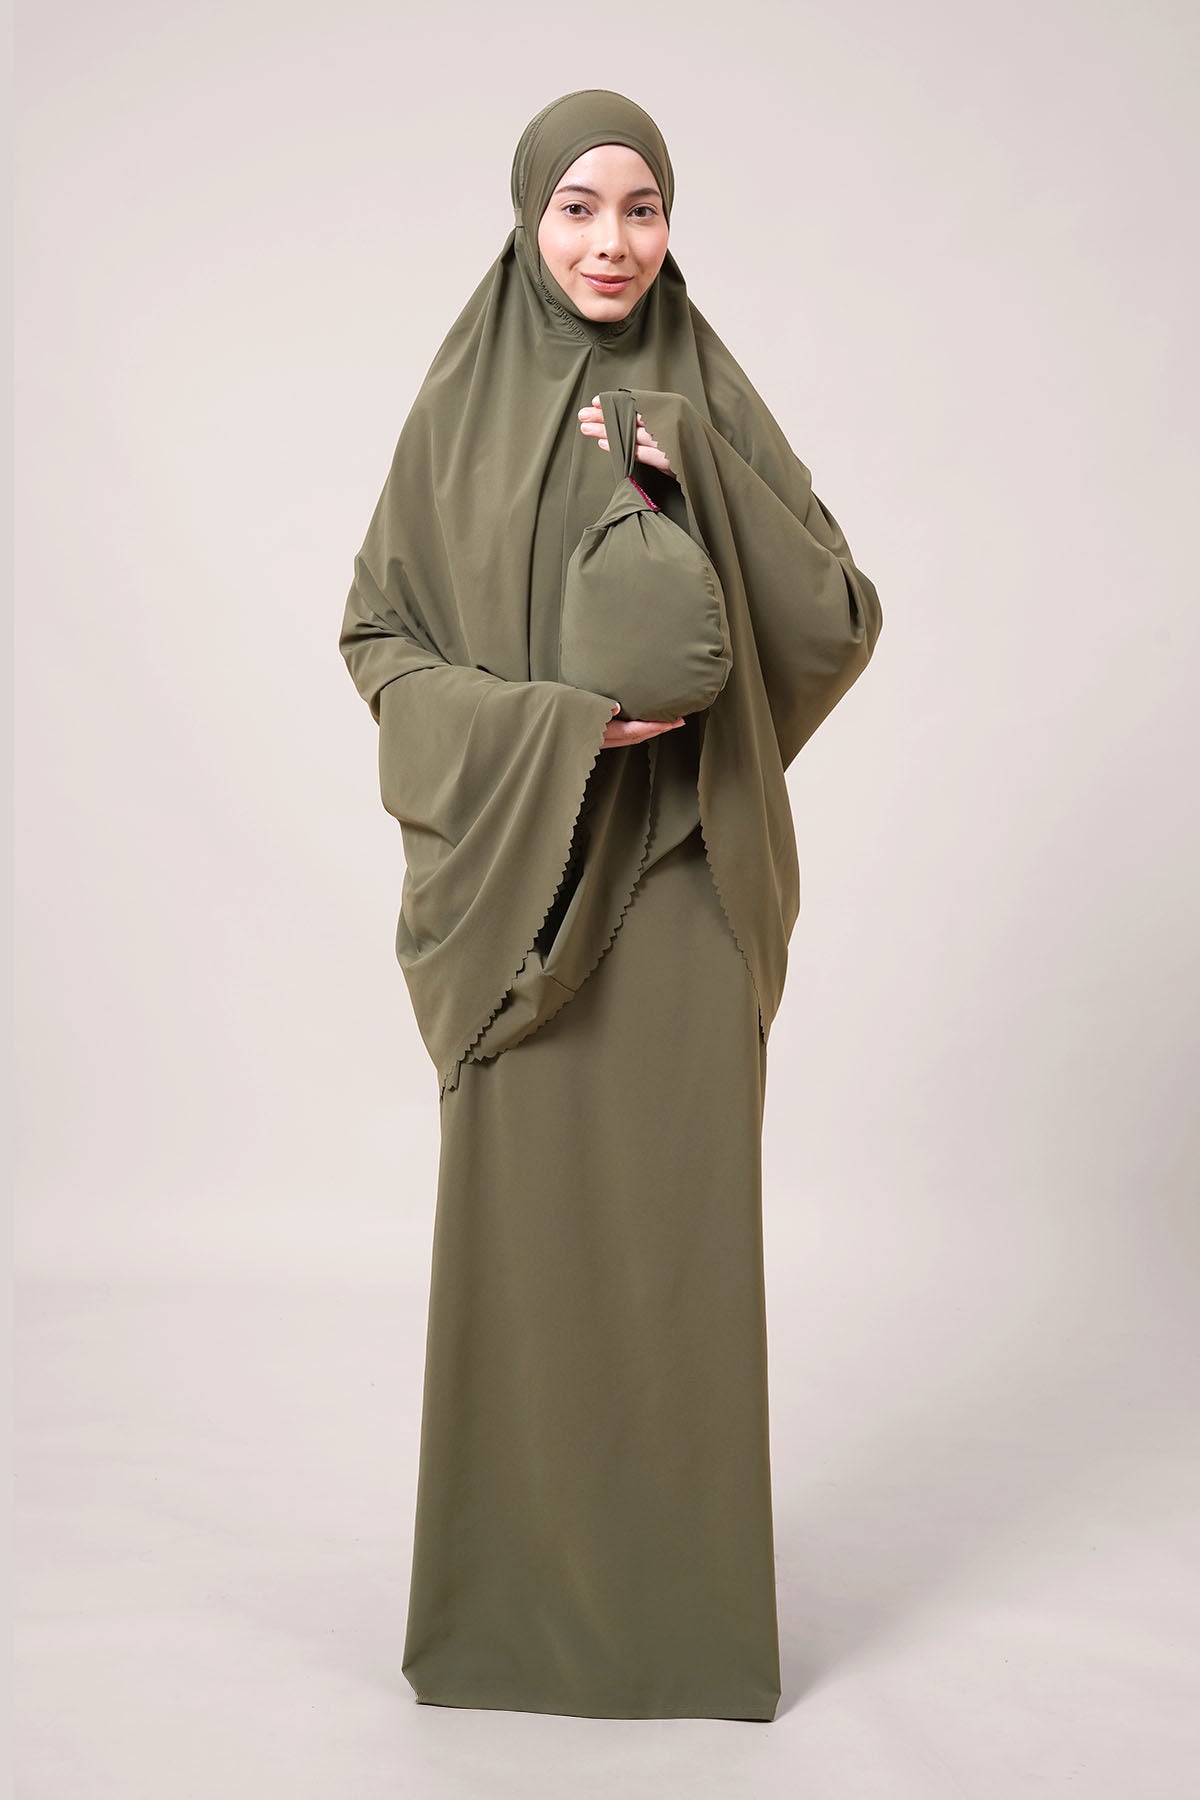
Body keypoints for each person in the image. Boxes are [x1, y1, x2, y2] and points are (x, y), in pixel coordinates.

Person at [338, 87, 883, 1723]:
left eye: (640, 208)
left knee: (677, 1257)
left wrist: (691, 472)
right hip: (530, 889)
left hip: (684, 879)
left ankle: (685, 1637)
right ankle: (503, 1627)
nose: (611, 242)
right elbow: (380, 641)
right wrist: (556, 730)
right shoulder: (459, 409)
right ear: (529, 218)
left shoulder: (704, 387)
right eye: (578, 208)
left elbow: (837, 608)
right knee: (528, 1261)